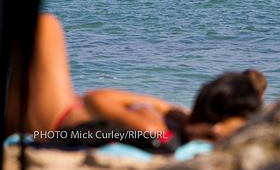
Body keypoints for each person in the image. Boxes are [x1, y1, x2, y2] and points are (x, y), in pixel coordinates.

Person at [5, 14, 266, 145]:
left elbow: (96, 100)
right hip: (59, 119)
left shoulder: (155, 129)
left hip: (54, 123)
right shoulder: (177, 126)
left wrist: (157, 108)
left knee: (45, 24)